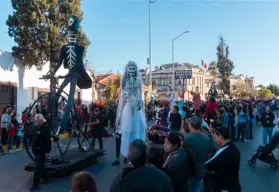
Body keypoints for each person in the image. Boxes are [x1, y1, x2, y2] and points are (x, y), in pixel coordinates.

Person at [115, 61, 147, 158]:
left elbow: (140, 93)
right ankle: (128, 152)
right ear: (127, 70)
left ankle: (137, 152)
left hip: (136, 106)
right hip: (128, 106)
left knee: (137, 129)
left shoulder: (138, 81)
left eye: (133, 69)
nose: (132, 71)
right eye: (130, 69)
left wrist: (139, 102)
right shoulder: (124, 80)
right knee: (127, 131)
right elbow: (123, 94)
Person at [204, 127, 241, 192]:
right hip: (233, 184)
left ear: (221, 137)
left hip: (223, 185)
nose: (215, 140)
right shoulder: (234, 147)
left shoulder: (222, 151)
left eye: (215, 137)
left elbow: (208, 165)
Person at [184, 116, 214, 192]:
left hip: (188, 168)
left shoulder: (185, 137)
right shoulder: (207, 138)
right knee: (196, 187)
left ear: (190, 125)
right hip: (201, 168)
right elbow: (210, 153)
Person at [30, 114, 52, 191]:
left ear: (40, 121)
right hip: (36, 151)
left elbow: (48, 141)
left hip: (41, 151)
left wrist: (47, 151)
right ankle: (46, 178)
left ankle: (35, 185)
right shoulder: (37, 127)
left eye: (36, 121)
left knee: (38, 168)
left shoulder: (45, 128)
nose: (34, 122)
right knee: (41, 165)